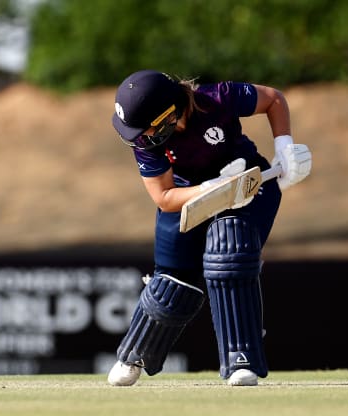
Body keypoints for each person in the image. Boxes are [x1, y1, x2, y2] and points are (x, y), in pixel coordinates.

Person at [108, 69, 312, 386]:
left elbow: (273, 99)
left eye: (147, 128)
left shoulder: (218, 99)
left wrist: (284, 147)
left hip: (247, 183)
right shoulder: (146, 142)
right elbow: (164, 196)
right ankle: (135, 354)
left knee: (229, 248)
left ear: (169, 112)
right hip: (186, 194)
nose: (141, 137)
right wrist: (209, 189)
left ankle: (240, 359)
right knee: (173, 281)